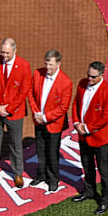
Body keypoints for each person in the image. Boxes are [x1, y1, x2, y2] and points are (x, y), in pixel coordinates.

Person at [0, 38, 31, 188]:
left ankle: (17, 173)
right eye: (2, 52)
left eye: (7, 53)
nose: (4, 55)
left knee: (15, 144)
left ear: (15, 51)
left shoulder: (24, 66)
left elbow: (24, 91)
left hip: (14, 113)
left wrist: (8, 109)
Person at [71, 62, 108, 215]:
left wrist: (87, 128)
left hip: (101, 139)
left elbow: (105, 117)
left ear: (101, 75)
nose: (89, 78)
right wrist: (77, 123)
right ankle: (89, 191)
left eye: (93, 76)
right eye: (88, 74)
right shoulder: (83, 83)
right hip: (84, 136)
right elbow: (76, 103)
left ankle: (105, 200)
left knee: (103, 170)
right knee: (87, 164)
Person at [27, 50, 73, 192]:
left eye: (51, 65)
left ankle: (53, 179)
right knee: (40, 150)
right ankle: (41, 175)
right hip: (39, 120)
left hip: (53, 124)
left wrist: (45, 117)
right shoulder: (37, 73)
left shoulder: (66, 82)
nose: (48, 67)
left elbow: (63, 107)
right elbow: (30, 93)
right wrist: (36, 113)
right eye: (46, 64)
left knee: (52, 153)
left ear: (58, 64)